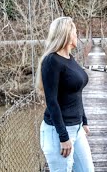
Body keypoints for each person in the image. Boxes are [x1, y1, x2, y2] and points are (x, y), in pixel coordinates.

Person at [35, 17, 95, 172]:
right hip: (58, 132)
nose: (78, 35)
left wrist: (84, 119)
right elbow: (52, 101)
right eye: (75, 32)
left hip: (77, 128)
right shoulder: (51, 61)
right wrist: (63, 136)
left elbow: (76, 92)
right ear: (67, 34)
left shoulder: (70, 58)